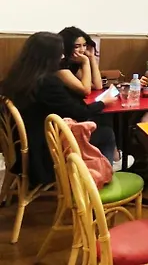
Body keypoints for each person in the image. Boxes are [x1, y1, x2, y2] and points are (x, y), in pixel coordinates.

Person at [0, 32, 119, 186]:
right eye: (60, 53)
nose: (63, 57)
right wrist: (103, 103)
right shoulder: (47, 83)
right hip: (42, 155)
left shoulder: (14, 79)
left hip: (19, 148)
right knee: (106, 133)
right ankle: (96, 184)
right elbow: (80, 112)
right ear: (49, 57)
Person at [56, 26, 102, 96]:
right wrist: (85, 62)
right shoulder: (60, 66)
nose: (82, 50)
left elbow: (97, 86)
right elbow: (86, 90)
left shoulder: (73, 63)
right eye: (77, 46)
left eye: (84, 45)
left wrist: (91, 57)